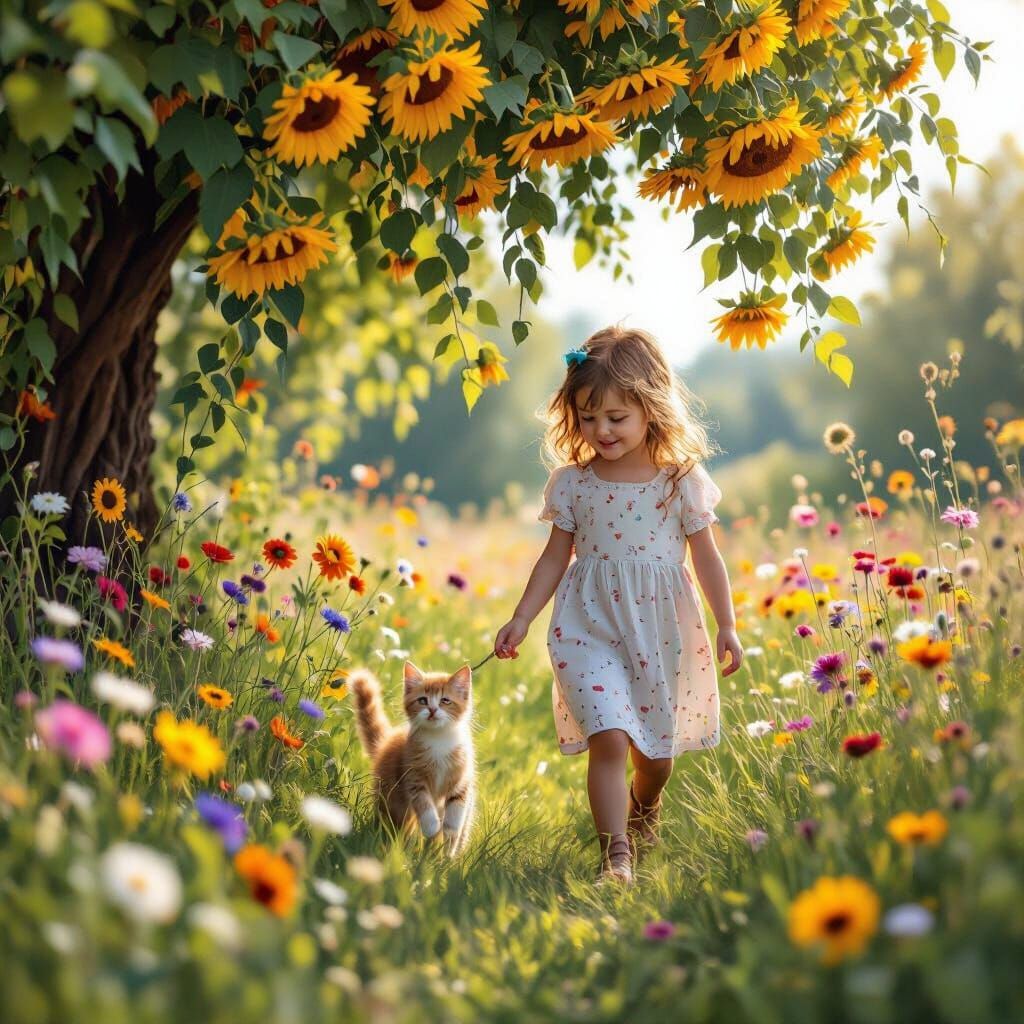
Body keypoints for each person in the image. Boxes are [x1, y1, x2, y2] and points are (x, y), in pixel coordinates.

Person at [493, 325, 743, 885]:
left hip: (660, 630)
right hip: (588, 627)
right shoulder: (573, 484)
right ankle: (616, 858)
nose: (600, 430)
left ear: (651, 408)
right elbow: (554, 558)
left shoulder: (681, 482)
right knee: (607, 736)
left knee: (655, 758)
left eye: (616, 417)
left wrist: (727, 624)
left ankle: (645, 806)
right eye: (587, 417)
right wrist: (522, 616)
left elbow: (706, 559)